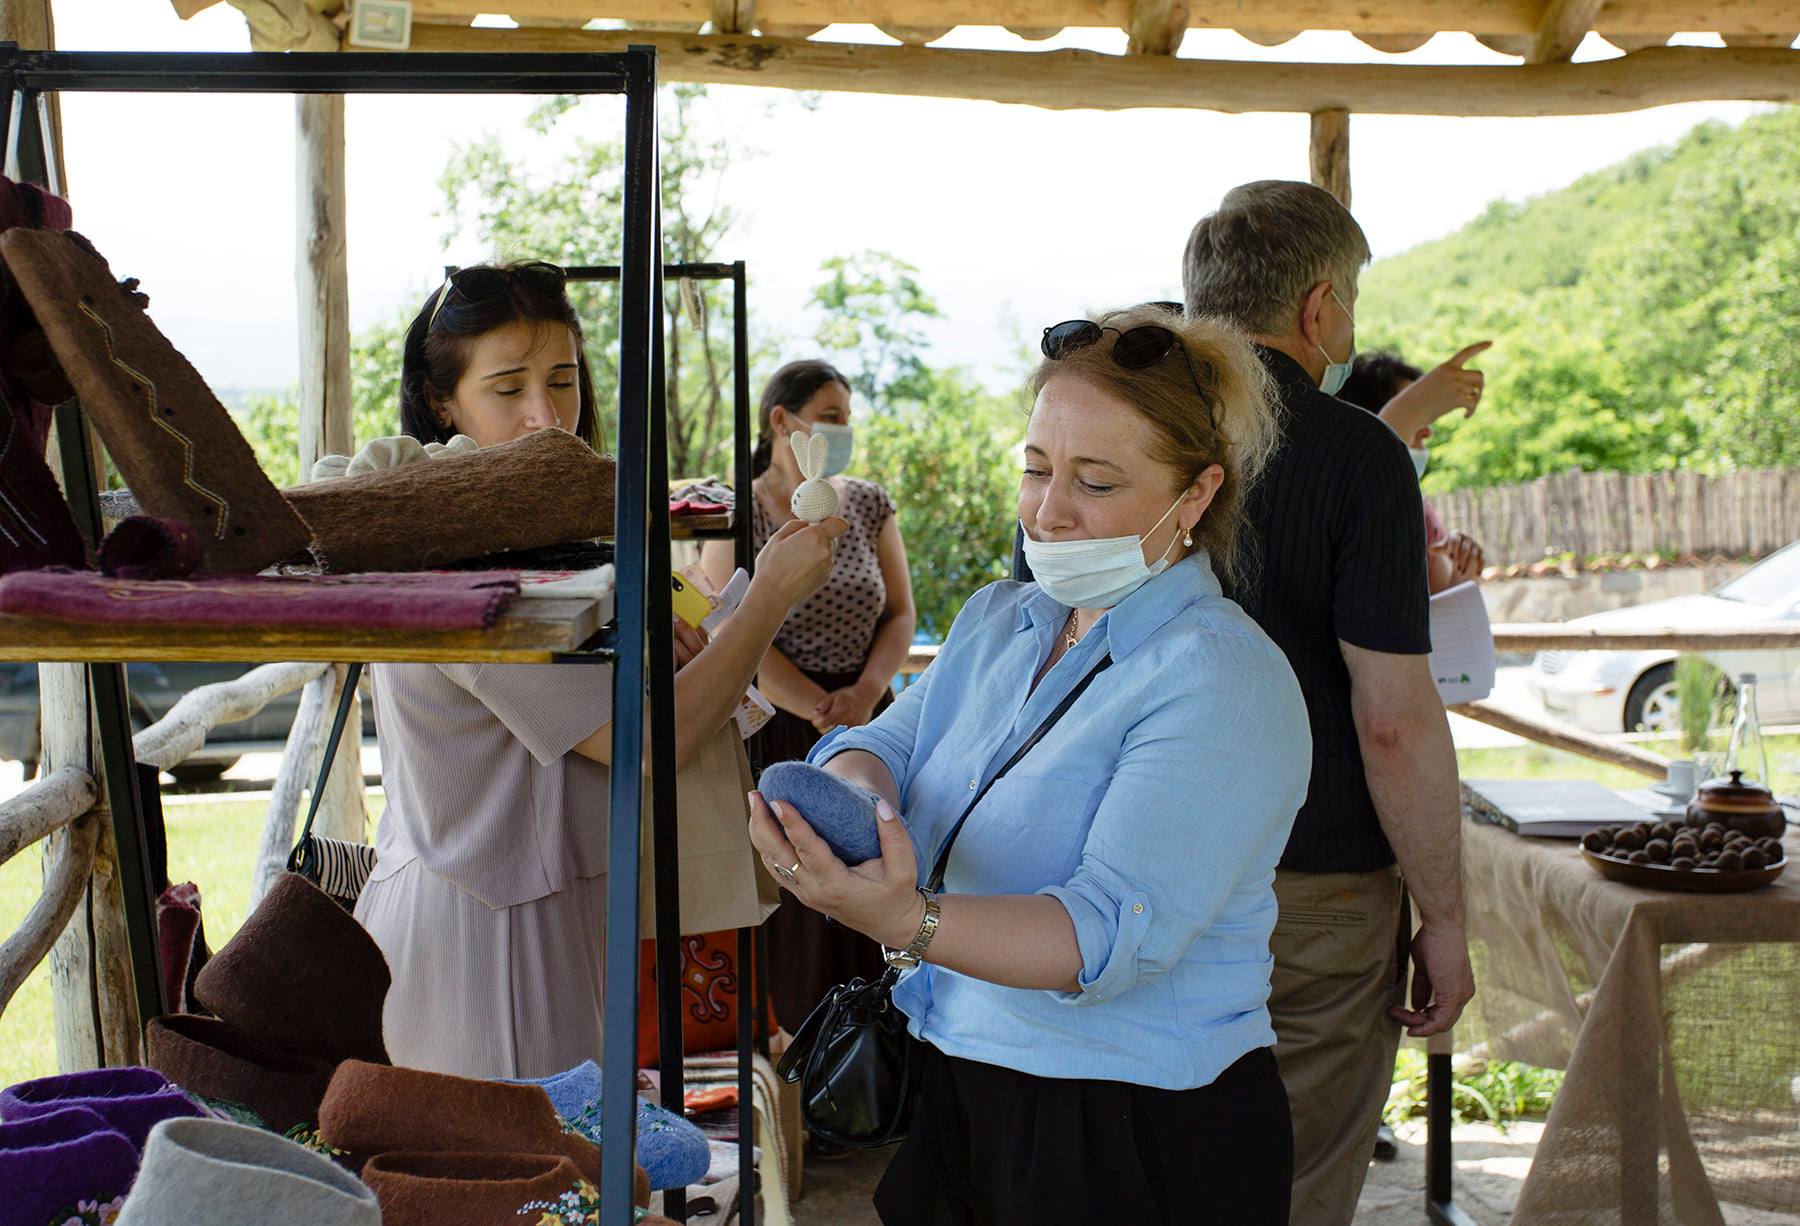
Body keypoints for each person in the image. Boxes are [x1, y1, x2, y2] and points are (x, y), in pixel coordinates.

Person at [748, 305, 1310, 1224]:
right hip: (962, 1079)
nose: (1049, 511)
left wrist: (903, 915)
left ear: (1197, 495)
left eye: (1095, 481)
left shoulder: (1221, 677)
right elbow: (876, 747)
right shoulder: (1001, 622)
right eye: (1037, 468)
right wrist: (854, 818)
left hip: (1130, 1121)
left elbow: (1101, 936)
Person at [354, 262, 848, 1078]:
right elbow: (642, 742)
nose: (547, 417)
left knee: (575, 1145)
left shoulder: (547, 538)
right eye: (507, 388)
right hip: (481, 933)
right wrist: (766, 600)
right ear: (442, 402)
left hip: (556, 914)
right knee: (525, 1153)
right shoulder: (463, 556)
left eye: (563, 381)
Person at [1183, 181, 1476, 1226]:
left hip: (1119, 879)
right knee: (1292, 1181)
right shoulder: (1358, 456)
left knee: (1142, 1166)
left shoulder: (1101, 442)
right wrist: (1445, 916)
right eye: (1351, 297)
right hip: (1314, 887)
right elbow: (1392, 720)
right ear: (1320, 308)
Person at [700, 361, 916, 1050]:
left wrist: (863, 695)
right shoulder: (735, 510)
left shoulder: (869, 504)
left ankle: (884, 1054)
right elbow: (730, 630)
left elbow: (901, 612)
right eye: (830, 416)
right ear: (781, 422)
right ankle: (805, 1054)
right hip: (781, 726)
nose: (843, 430)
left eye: (847, 417)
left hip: (868, 719)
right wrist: (816, 705)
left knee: (879, 868)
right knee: (799, 894)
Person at [1340, 350, 1489, 594]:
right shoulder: (1343, 507)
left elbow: (1442, 602)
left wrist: (1462, 573)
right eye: (1417, 414)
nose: (1427, 431)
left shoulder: (1418, 508)